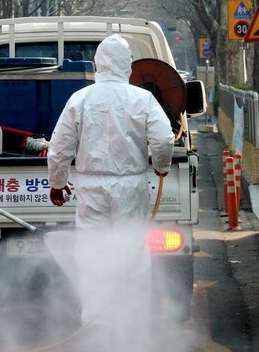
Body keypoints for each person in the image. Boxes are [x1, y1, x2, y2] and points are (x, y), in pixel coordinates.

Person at [46, 34, 175, 334]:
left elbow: (59, 148)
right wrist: (161, 167)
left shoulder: (80, 99)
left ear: (98, 65)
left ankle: (96, 325)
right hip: (130, 187)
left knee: (93, 254)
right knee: (132, 253)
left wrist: (57, 183)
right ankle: (131, 325)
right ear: (127, 66)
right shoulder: (142, 99)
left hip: (91, 189)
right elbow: (165, 139)